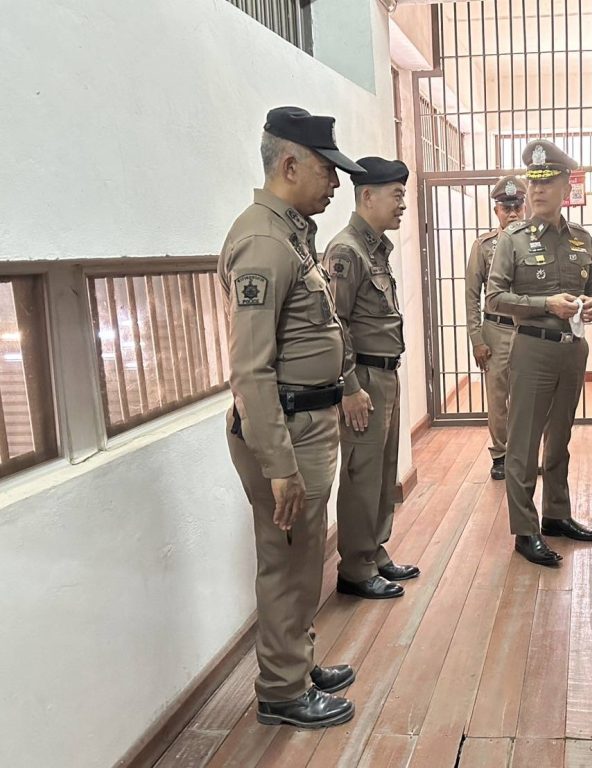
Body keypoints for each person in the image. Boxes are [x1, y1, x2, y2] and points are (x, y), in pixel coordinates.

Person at [220, 106, 363, 728]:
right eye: (328, 171)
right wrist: (278, 465)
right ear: (290, 164)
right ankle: (282, 690)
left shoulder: (291, 234)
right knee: (286, 559)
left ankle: (296, 662)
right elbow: (251, 370)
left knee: (304, 554)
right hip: (285, 430)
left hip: (307, 423)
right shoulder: (263, 243)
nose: (335, 183)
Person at [485, 139, 592, 567]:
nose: (536, 190)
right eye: (532, 182)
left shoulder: (582, 240)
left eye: (547, 182)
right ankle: (525, 530)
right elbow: (494, 299)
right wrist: (545, 305)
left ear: (566, 187)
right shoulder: (513, 240)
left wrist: (591, 303)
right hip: (532, 349)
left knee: (560, 439)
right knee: (523, 444)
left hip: (572, 351)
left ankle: (556, 514)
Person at [323, 157, 419, 600]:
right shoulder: (347, 251)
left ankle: (374, 551)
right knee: (361, 473)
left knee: (381, 472)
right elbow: (335, 324)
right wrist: (350, 387)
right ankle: (355, 568)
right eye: (396, 195)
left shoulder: (375, 248)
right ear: (367, 196)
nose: (402, 204)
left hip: (384, 373)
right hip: (361, 377)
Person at [465, 175, 527, 481]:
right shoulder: (484, 246)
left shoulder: (536, 244)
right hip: (496, 330)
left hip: (529, 330)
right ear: (496, 211)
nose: (512, 213)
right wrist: (477, 338)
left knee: (528, 397)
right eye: (506, 208)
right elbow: (471, 296)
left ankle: (524, 454)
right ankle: (501, 454)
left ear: (525, 207)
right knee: (498, 397)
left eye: (517, 206)